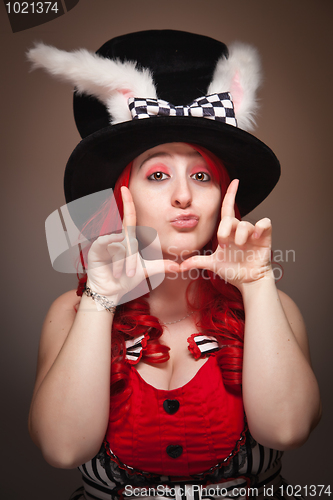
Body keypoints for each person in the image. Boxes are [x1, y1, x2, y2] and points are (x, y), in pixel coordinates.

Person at [27, 30, 321, 500]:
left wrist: (259, 283)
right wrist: (102, 297)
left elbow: (286, 431)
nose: (184, 195)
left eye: (201, 175)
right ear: (124, 198)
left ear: (224, 195)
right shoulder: (70, 311)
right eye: (158, 174)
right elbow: (63, 449)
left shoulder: (270, 305)